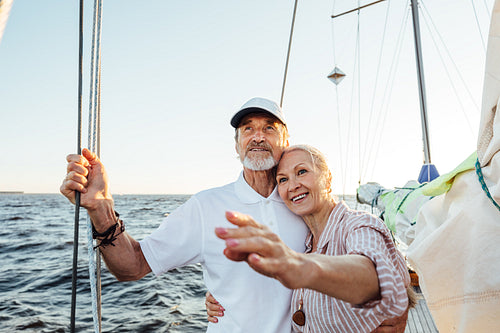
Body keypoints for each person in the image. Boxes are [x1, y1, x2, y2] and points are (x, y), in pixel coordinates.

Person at [61, 97, 408, 332]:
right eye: (247, 129)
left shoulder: (302, 206)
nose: (258, 136)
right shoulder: (205, 207)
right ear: (237, 144)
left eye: (269, 127)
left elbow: (365, 264)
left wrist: (298, 267)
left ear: (285, 141)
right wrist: (100, 206)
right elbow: (132, 266)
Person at [212, 144, 411, 332]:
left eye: (302, 172)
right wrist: (224, 293)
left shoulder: (359, 225)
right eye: (283, 179)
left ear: (328, 179)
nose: (293, 185)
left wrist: (302, 267)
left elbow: (372, 275)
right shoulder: (303, 241)